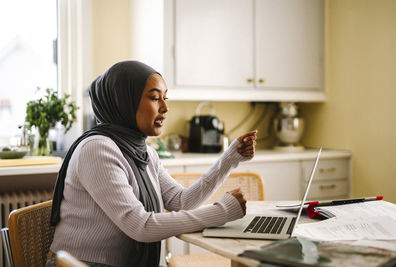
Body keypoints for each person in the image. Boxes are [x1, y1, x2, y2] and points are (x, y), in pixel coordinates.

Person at [47, 61, 257, 267]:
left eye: (165, 98)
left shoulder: (144, 151)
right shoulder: (96, 149)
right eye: (155, 98)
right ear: (124, 101)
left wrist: (230, 158)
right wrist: (220, 212)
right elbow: (140, 226)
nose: (165, 108)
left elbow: (181, 200)